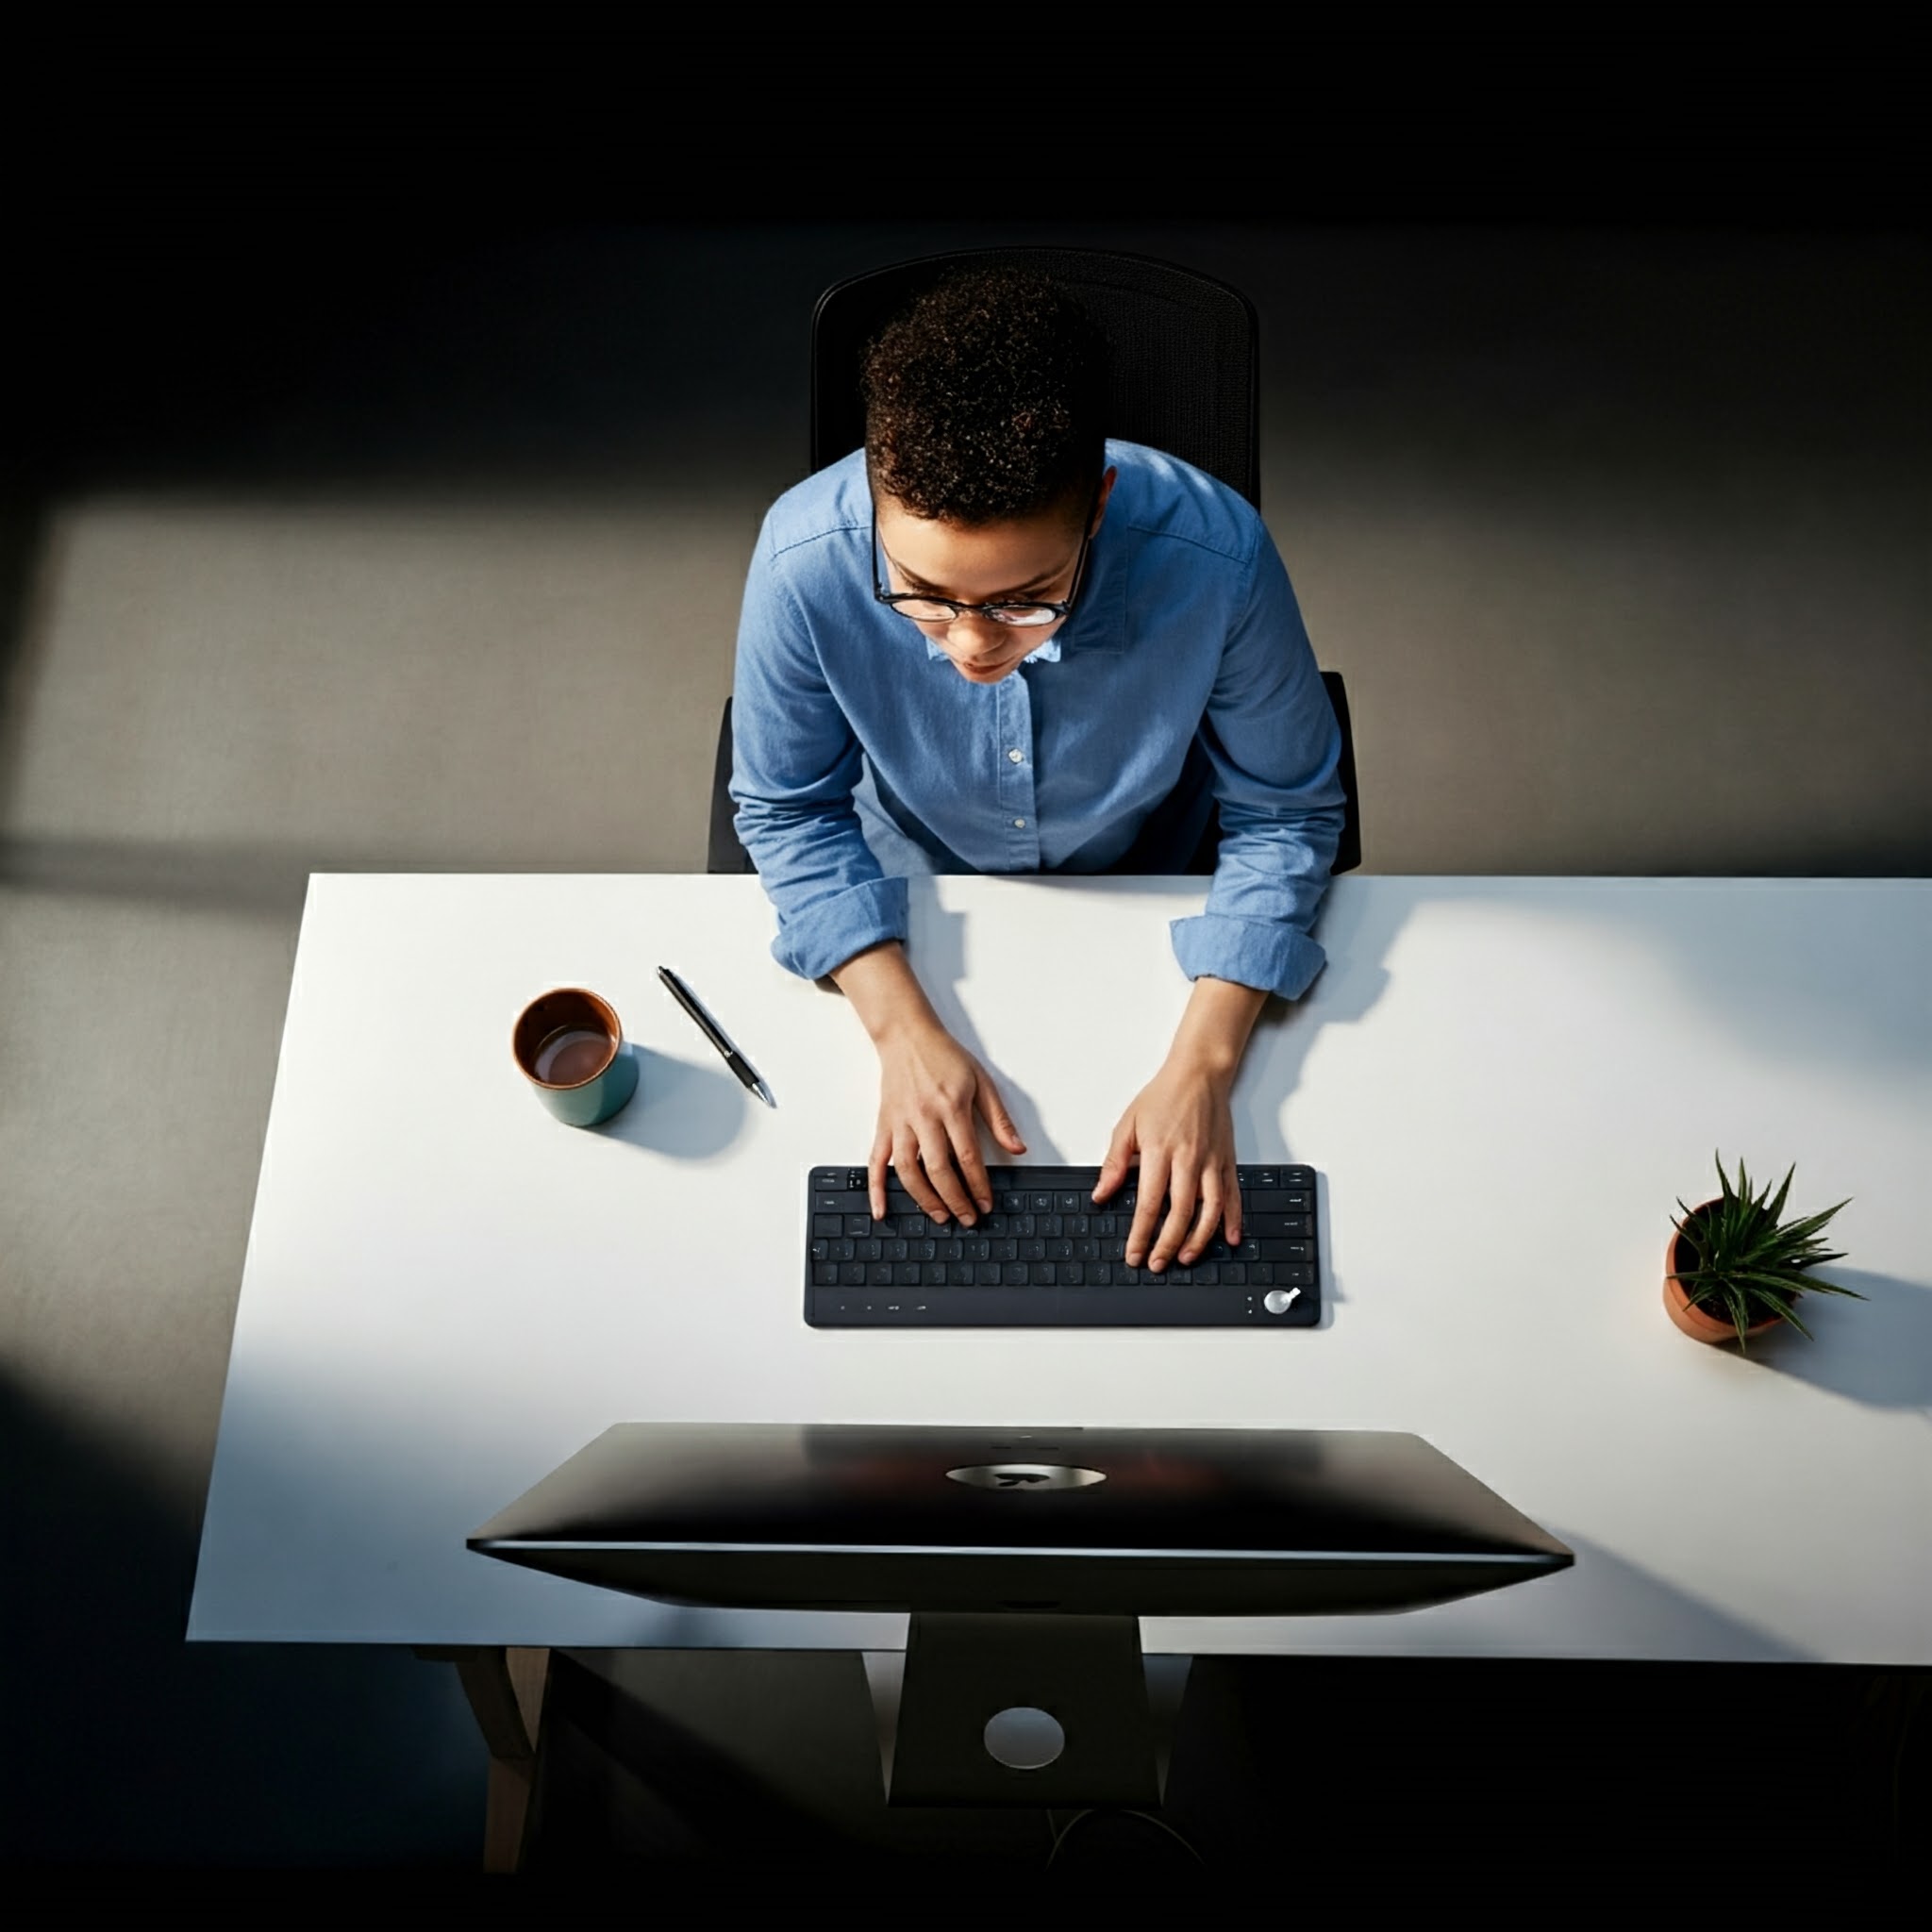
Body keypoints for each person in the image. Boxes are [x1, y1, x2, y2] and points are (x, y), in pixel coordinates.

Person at [729, 267, 1345, 1276]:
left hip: (1157, 869)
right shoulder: (803, 558)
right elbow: (789, 807)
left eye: (1025, 597)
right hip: (918, 891)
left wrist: (1205, 1064)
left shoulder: (1216, 554)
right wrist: (897, 1029)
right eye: (919, 593)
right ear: (878, 499)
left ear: (1097, 504)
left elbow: (1285, 813)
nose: (968, 647)